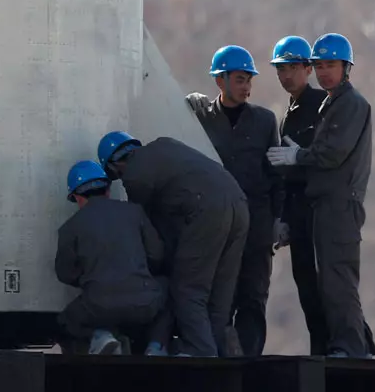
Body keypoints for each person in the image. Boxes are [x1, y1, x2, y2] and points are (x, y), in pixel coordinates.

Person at [267, 33, 373, 358]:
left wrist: (299, 156)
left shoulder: (351, 104)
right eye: (321, 65)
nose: (325, 71)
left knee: (337, 277)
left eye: (332, 65)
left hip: (339, 204)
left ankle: (351, 348)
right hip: (324, 204)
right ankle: (342, 347)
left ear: (346, 67)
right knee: (323, 281)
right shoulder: (331, 104)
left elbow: (332, 153)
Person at [97, 132, 249, 357]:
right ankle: (217, 353)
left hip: (206, 211)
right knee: (219, 291)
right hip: (239, 205)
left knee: (188, 288)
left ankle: (201, 352)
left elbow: (147, 229)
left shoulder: (135, 175)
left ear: (115, 164)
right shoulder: (165, 145)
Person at [184, 45, 284, 357]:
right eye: (240, 80)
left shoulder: (264, 122)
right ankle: (220, 359)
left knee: (253, 296)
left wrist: (279, 219)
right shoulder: (201, 118)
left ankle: (250, 359)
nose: (246, 87)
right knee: (219, 297)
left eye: (248, 81)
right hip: (218, 226)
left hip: (256, 223)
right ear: (220, 81)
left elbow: (276, 177)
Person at [54, 160, 169, 355]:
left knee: (66, 320)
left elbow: (64, 273)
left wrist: (90, 276)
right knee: (168, 290)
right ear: (107, 189)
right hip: (144, 303)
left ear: (77, 197)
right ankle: (156, 347)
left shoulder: (69, 227)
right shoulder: (135, 211)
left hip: (98, 307)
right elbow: (157, 255)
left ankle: (101, 335)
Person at [269, 35, 330, 354]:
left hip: (320, 213)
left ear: (308, 69)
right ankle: (321, 352)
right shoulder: (289, 115)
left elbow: (329, 159)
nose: (285, 75)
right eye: (280, 69)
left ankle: (346, 349)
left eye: (292, 67)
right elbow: (287, 178)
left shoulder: (323, 107)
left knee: (329, 289)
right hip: (299, 215)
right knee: (306, 286)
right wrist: (283, 218)